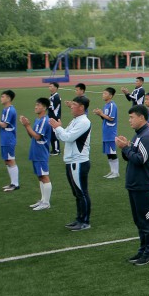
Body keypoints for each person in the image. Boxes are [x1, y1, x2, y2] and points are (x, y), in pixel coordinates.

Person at [116, 105, 149, 265]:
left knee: (146, 221)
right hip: (135, 184)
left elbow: (140, 159)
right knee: (139, 221)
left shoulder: (147, 136)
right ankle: (143, 250)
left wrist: (125, 148)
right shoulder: (138, 136)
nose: (129, 121)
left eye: (132, 117)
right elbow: (131, 156)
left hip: (142, 185)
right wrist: (126, 147)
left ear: (142, 117)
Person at [51, 95, 92, 230]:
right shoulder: (75, 120)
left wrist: (58, 128)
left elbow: (67, 137)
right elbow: (62, 136)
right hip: (72, 161)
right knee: (77, 193)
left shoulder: (84, 122)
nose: (71, 106)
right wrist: (58, 128)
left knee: (82, 192)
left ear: (81, 107)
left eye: (74, 104)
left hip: (78, 162)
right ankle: (79, 218)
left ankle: (84, 221)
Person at [19, 97, 53, 210]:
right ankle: (43, 200)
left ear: (44, 107)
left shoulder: (44, 120)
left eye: (38, 105)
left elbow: (38, 136)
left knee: (44, 176)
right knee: (40, 176)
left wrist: (27, 125)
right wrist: (27, 126)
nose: (35, 107)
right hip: (35, 151)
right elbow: (32, 136)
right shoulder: (38, 120)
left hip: (41, 152)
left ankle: (46, 203)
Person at [93, 88, 119, 179]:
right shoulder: (106, 105)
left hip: (111, 132)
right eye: (103, 93)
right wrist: (100, 114)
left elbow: (111, 118)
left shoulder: (112, 105)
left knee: (112, 152)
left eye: (105, 93)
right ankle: (112, 171)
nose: (103, 95)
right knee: (108, 152)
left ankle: (116, 172)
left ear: (110, 96)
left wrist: (101, 113)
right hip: (106, 132)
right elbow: (105, 118)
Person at [47, 82, 62, 155]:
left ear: (55, 88)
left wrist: (45, 105)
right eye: (49, 86)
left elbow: (53, 107)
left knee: (54, 134)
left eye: (51, 86)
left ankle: (56, 150)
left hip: (55, 118)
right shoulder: (52, 96)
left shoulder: (56, 96)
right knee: (51, 134)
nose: (49, 87)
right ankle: (54, 149)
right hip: (51, 117)